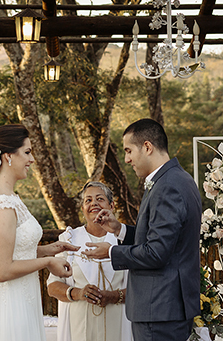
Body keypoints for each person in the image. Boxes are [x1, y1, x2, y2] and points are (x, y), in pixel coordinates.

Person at [83, 118, 202, 341]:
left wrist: (110, 252)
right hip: (165, 308)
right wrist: (119, 230)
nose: (126, 159)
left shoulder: (168, 186)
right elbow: (160, 239)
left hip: (159, 309)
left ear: (147, 147)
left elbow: (157, 252)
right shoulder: (177, 179)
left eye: (129, 151)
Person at [0, 124, 78, 341]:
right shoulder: (2, 204)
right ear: (7, 156)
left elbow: (14, 250)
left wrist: (47, 250)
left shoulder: (7, 196)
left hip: (19, 297)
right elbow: (3, 270)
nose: (32, 159)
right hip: (6, 304)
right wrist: (48, 262)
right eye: (27, 152)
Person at [47, 181, 133, 341]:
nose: (93, 203)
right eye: (88, 200)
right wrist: (79, 293)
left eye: (100, 199)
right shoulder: (69, 239)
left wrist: (114, 296)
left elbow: (141, 286)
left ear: (112, 205)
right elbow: (52, 286)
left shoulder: (124, 239)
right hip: (79, 325)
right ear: (82, 209)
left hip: (119, 323)